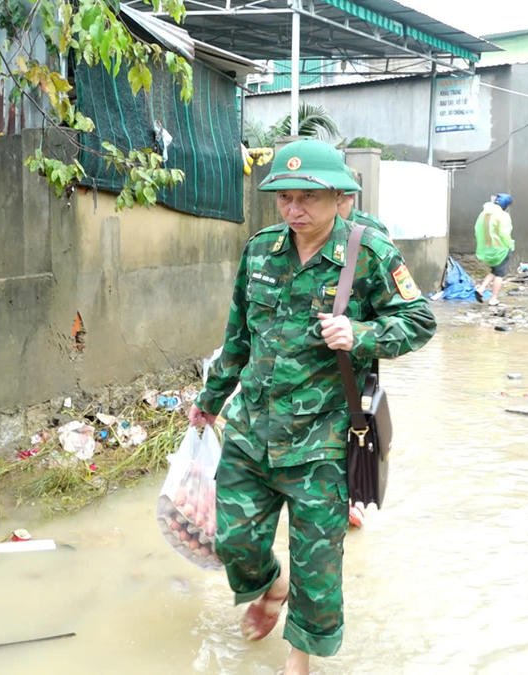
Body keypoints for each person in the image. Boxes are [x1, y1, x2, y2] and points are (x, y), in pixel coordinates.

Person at [186, 139, 436, 673]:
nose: (293, 210)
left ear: (340, 197)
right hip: (252, 429)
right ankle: (272, 587)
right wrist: (209, 402)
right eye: (284, 198)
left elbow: (420, 321)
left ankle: (299, 658)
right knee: (232, 540)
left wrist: (362, 333)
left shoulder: (369, 254)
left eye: (307, 199)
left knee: (318, 567)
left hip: (322, 440)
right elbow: (236, 337)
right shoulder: (259, 250)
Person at [473, 193, 515, 306]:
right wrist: (510, 244)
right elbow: (504, 233)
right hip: (500, 249)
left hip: (487, 248)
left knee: (495, 271)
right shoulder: (503, 216)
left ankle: (481, 288)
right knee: (500, 274)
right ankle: (493, 298)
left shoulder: (484, 214)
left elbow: (477, 229)